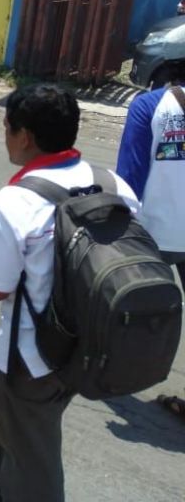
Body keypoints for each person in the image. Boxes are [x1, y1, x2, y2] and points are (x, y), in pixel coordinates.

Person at [0, 84, 139, 502]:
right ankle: (0, 476)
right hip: (90, 343)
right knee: (25, 432)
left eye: (6, 126)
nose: (5, 135)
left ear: (26, 137)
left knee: (36, 462)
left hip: (31, 356)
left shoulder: (16, 200)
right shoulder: (113, 183)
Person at [116, 63, 185, 424]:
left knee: (129, 308)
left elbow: (129, 180)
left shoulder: (149, 107)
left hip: (151, 234)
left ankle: (114, 375)